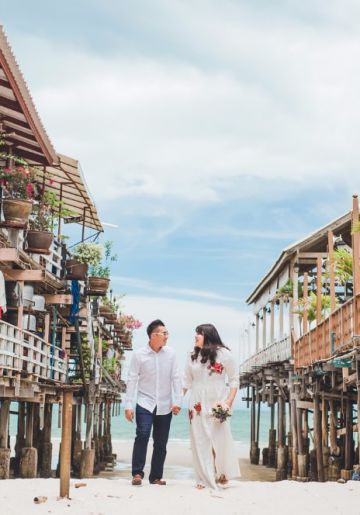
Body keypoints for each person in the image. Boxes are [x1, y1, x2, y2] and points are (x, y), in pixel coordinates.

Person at [183, 323, 240, 490]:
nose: (195, 337)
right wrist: (178, 400)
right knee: (200, 440)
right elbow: (186, 381)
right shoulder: (192, 355)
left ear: (207, 335)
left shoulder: (224, 354)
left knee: (218, 438)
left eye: (198, 334)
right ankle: (203, 478)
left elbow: (234, 379)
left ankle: (221, 472)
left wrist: (229, 401)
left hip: (218, 399)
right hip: (197, 401)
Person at [124, 319, 182, 486]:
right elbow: (132, 379)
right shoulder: (139, 355)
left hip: (165, 404)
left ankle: (156, 477)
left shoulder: (171, 353)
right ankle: (137, 473)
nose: (166, 336)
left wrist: (177, 401)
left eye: (167, 333)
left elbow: (176, 378)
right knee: (142, 434)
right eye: (164, 333)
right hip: (144, 401)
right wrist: (128, 405)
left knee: (161, 442)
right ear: (153, 335)